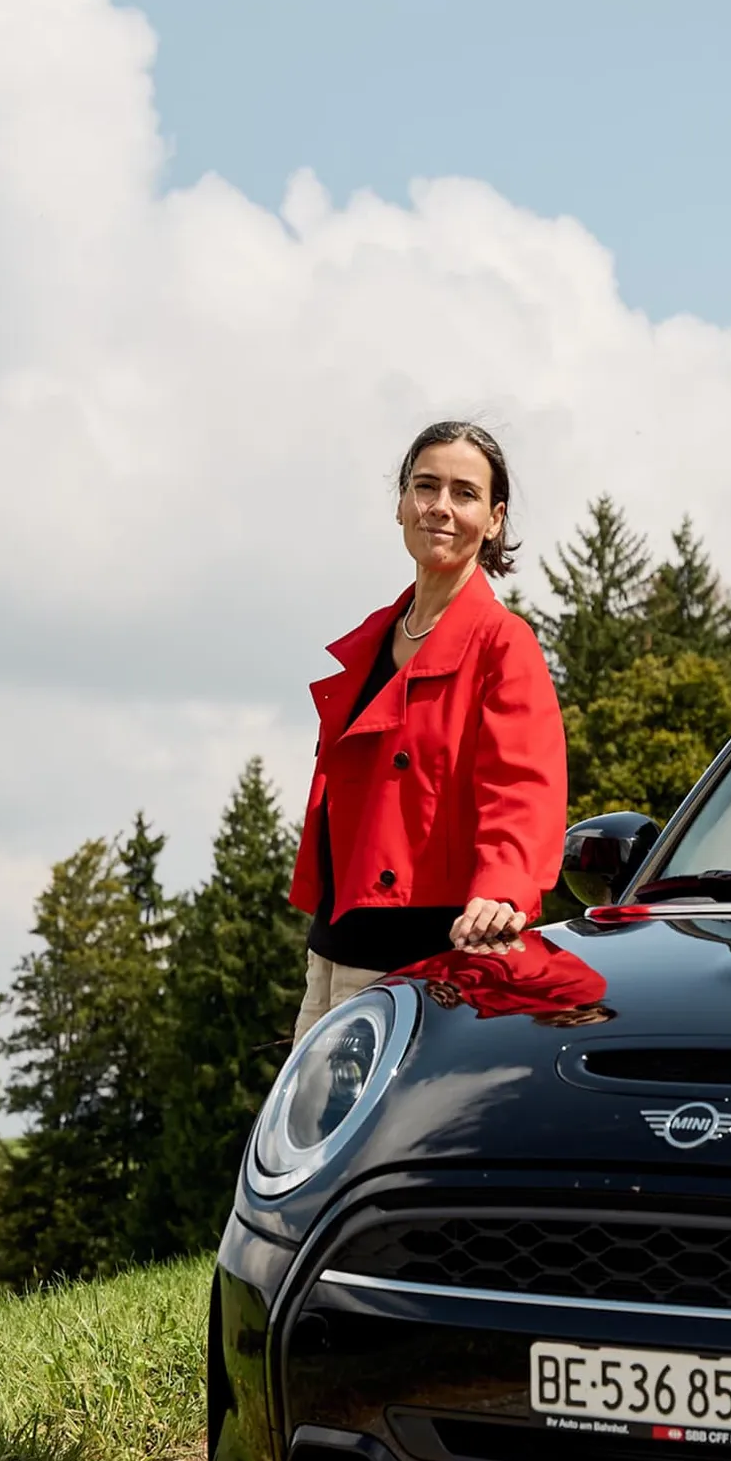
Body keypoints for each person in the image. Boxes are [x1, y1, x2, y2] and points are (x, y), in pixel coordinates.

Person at [289, 422, 569, 1040]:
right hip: (333, 948)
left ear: (494, 520)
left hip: (425, 960)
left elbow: (522, 786)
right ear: (400, 504)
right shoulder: (372, 641)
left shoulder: (502, 643)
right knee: (303, 1133)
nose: (441, 506)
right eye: (425, 486)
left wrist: (504, 888)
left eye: (465, 493)